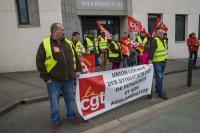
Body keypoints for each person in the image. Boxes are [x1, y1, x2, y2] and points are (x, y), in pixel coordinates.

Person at [36, 23, 82, 132]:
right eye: (62, 30)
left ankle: (71, 116)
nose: (64, 31)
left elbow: (75, 57)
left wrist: (78, 70)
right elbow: (39, 62)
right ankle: (55, 121)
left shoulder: (69, 43)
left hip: (69, 79)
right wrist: (46, 78)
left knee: (70, 99)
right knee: (54, 102)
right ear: (55, 31)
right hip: (53, 80)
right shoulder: (45, 43)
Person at [149, 28, 168, 100]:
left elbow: (165, 50)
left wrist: (166, 58)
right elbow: (152, 51)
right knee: (159, 77)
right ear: (156, 34)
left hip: (163, 60)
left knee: (161, 76)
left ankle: (157, 89)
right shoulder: (155, 40)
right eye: (159, 33)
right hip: (157, 61)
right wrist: (150, 60)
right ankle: (160, 92)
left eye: (162, 33)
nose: (161, 34)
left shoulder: (164, 40)